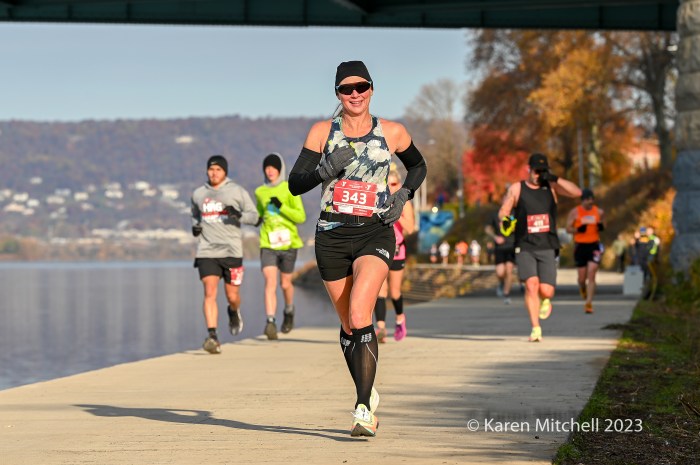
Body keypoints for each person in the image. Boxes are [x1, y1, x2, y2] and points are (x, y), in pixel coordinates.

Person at [287, 60, 427, 437]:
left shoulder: (392, 131)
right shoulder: (322, 132)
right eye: (346, 89)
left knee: (361, 311)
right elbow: (295, 184)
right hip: (331, 235)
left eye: (361, 87)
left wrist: (404, 195)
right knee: (349, 324)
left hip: (374, 232)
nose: (355, 94)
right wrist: (324, 170)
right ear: (338, 93)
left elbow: (418, 167)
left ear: (371, 89)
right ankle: (366, 388)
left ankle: (363, 409)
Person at [498, 153, 581, 342]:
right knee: (531, 285)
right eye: (536, 171)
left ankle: (546, 300)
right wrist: (505, 220)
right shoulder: (517, 188)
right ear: (529, 169)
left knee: (546, 290)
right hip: (525, 244)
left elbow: (577, 192)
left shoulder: (551, 187)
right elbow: (504, 211)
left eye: (542, 171)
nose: (538, 175)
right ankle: (535, 328)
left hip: (547, 244)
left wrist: (555, 178)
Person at [191, 155, 260, 354]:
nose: (214, 173)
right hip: (207, 251)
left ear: (225, 172)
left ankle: (233, 310)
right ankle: (212, 336)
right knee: (209, 292)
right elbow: (194, 216)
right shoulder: (198, 194)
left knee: (232, 295)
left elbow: (255, 217)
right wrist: (195, 228)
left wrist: (238, 215)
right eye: (211, 169)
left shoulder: (237, 191)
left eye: (218, 170)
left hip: (232, 251)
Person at [254, 153, 307, 340]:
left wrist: (281, 207)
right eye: (267, 167)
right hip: (268, 243)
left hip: (288, 244)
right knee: (270, 282)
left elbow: (301, 217)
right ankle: (270, 322)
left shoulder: (289, 189)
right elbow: (259, 214)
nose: (270, 171)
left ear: (280, 170)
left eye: (273, 167)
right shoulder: (260, 192)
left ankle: (289, 310)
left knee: (285, 284)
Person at [374, 169, 415, 343]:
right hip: (380, 248)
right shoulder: (378, 200)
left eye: (394, 184)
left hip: (398, 249)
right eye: (387, 184)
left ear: (399, 185)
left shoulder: (405, 203)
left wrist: (395, 211)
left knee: (395, 291)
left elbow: (410, 228)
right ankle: (381, 328)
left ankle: (400, 319)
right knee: (380, 290)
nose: (390, 187)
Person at [566, 188, 605, 314]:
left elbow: (603, 224)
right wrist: (578, 230)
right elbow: (568, 228)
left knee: (592, 273)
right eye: (588, 200)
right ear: (582, 201)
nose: (590, 202)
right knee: (582, 278)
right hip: (580, 246)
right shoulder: (575, 212)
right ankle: (582, 288)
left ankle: (589, 303)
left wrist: (601, 226)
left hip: (594, 245)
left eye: (592, 200)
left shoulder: (599, 211)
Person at [490, 203, 516, 305]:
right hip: (499, 248)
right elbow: (487, 228)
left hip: (511, 246)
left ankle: (506, 294)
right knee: (500, 272)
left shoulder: (515, 214)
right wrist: (495, 237)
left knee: (509, 269)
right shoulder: (495, 214)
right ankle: (501, 283)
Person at [636, 226, 660, 299]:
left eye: (650, 230)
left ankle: (650, 294)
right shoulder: (645, 239)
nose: (648, 232)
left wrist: (651, 258)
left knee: (650, 277)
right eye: (647, 230)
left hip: (651, 261)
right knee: (646, 277)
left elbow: (654, 250)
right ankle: (647, 294)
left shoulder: (654, 239)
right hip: (644, 260)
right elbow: (640, 249)